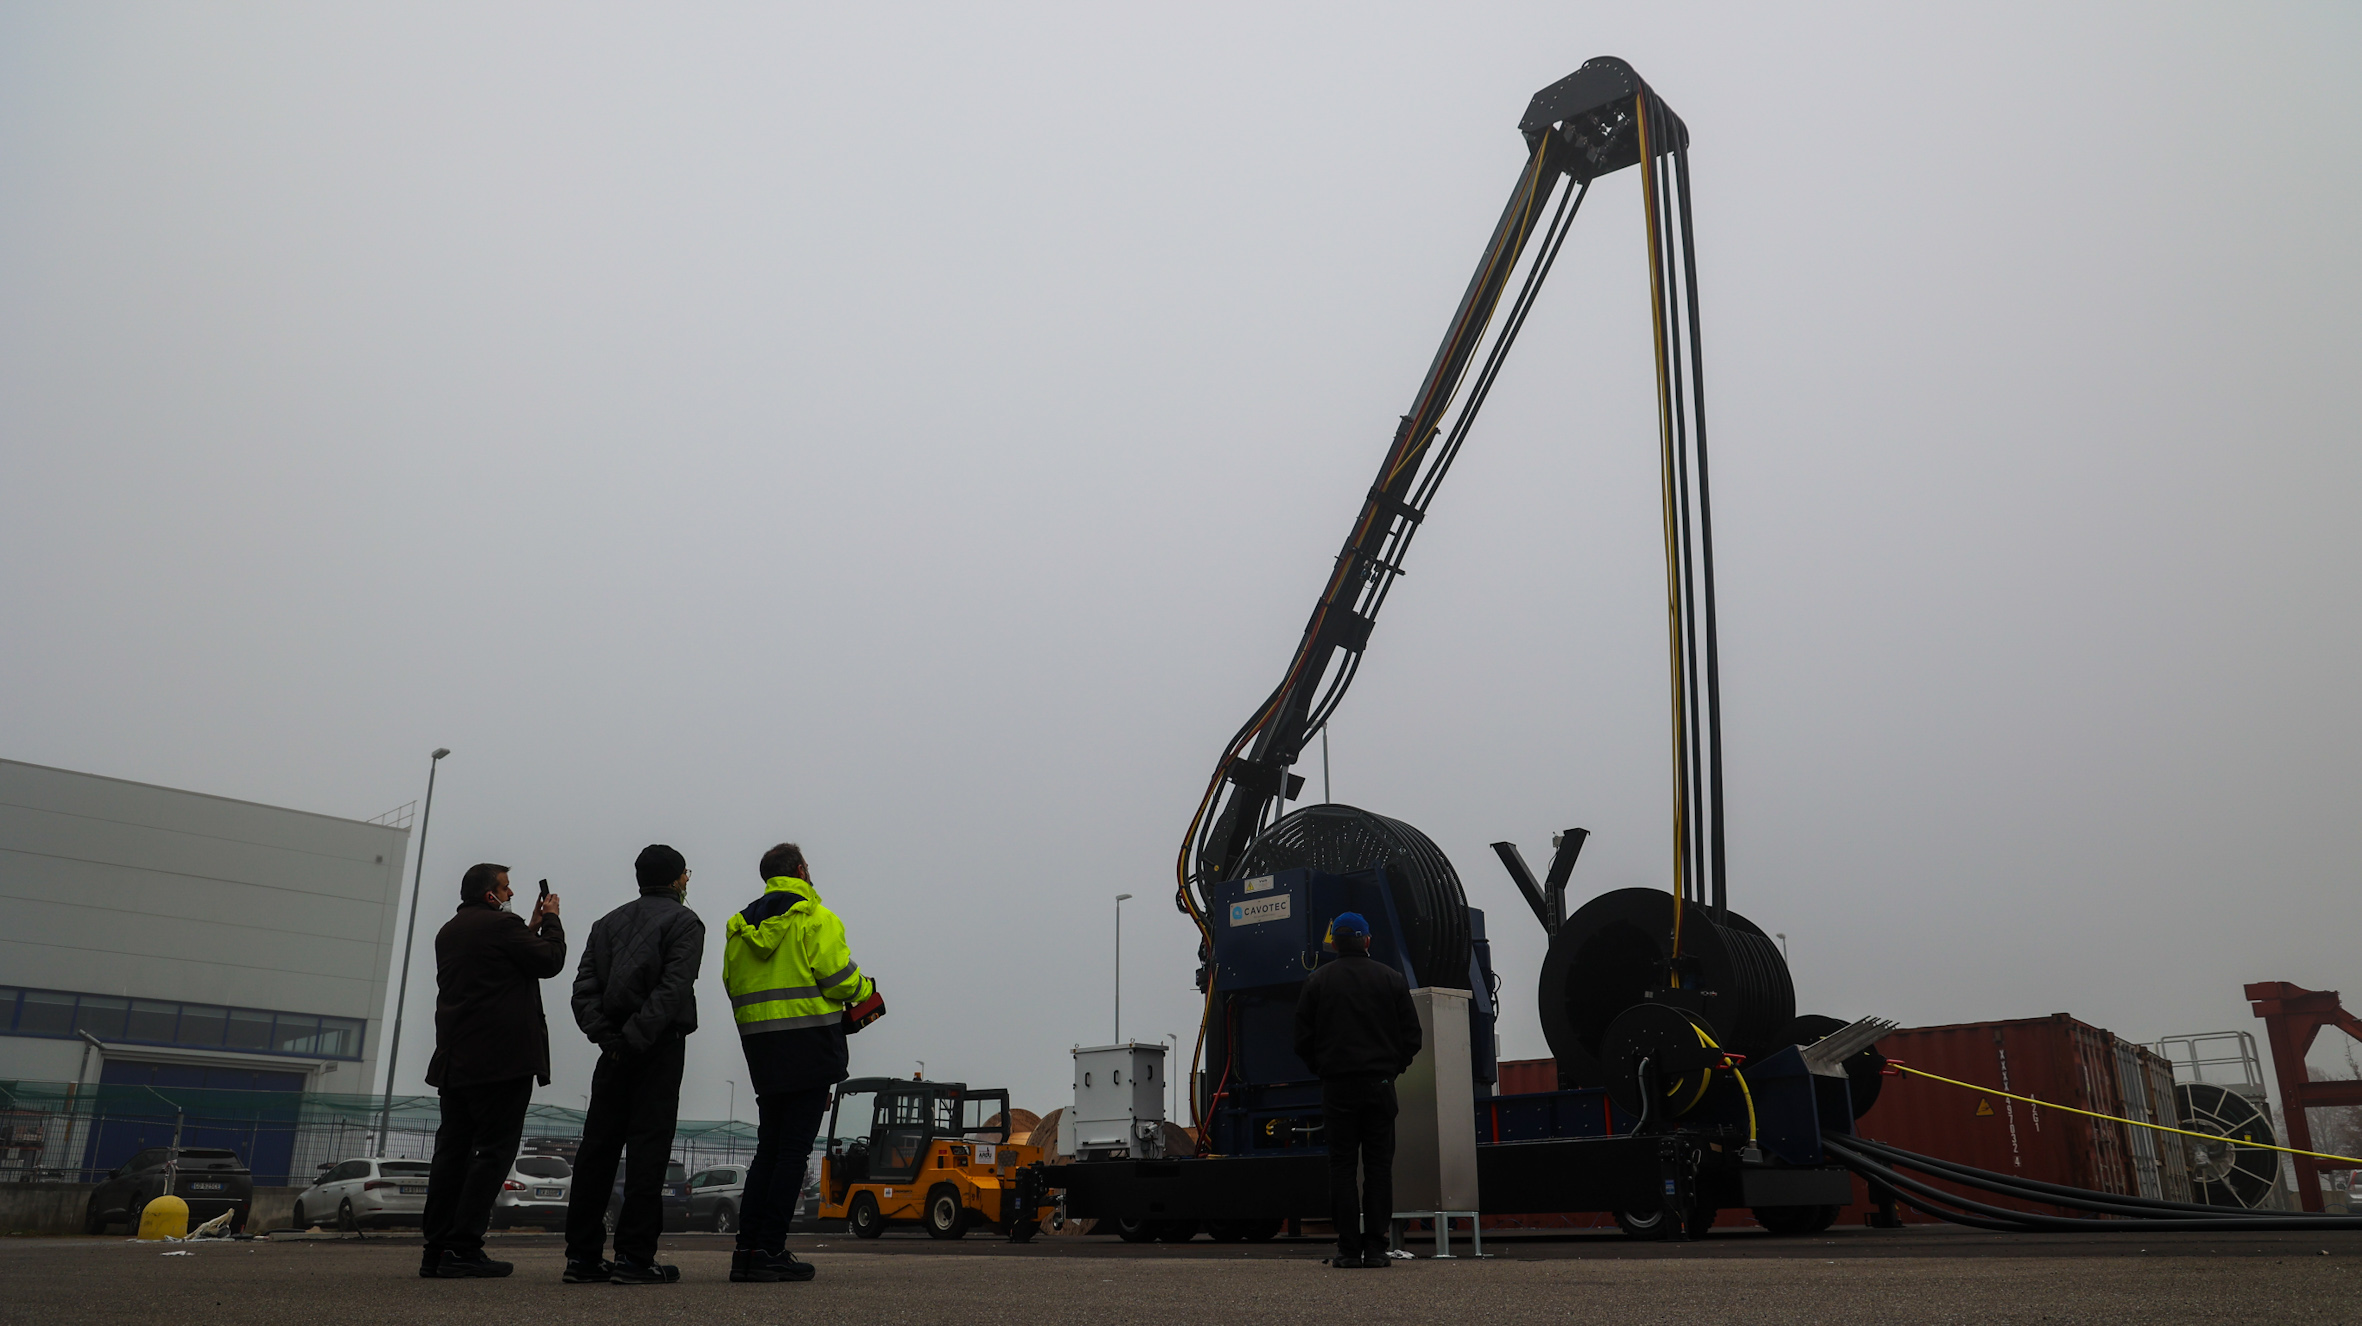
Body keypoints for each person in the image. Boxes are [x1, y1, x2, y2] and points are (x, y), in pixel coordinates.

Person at [720, 842, 879, 1283]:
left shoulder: (739, 929)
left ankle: (746, 1252)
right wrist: (866, 990)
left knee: (768, 1151)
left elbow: (732, 985)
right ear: (801, 869)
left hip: (763, 1052)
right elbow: (838, 978)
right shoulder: (815, 918)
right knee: (792, 1153)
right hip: (809, 1050)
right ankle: (770, 1248)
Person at [563, 844, 705, 1285]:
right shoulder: (686, 922)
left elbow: (583, 989)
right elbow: (673, 988)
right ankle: (633, 1258)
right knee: (648, 1152)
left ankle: (582, 1258)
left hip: (612, 1051)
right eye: (686, 874)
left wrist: (609, 1039)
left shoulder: (605, 924)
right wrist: (635, 1039)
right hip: (657, 1048)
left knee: (597, 1152)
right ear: (678, 879)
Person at [418, 863, 567, 1279]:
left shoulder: (449, 931)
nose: (512, 892)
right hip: (501, 1062)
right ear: (490, 895)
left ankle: (437, 1249)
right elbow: (549, 961)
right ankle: (464, 1246)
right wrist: (551, 921)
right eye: (505, 887)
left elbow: (499, 965)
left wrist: (530, 927)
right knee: (493, 1152)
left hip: (456, 1061)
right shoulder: (503, 927)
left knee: (452, 1154)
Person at [1291, 911, 1421, 1269]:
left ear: (1333, 942)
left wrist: (1324, 1069)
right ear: (1367, 940)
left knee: (1343, 1166)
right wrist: (1391, 1069)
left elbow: (1302, 1040)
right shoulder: (1391, 979)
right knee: (1379, 1167)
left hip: (1337, 1088)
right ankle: (1377, 1249)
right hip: (1379, 1086)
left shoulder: (1317, 982)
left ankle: (1348, 1250)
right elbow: (1413, 1037)